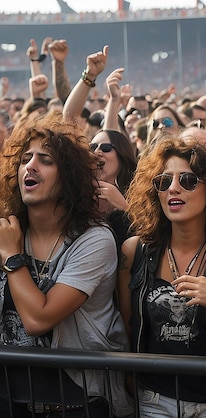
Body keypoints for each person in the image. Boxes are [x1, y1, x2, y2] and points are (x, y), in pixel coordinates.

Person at [0, 112, 132, 417]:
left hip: (73, 404)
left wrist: (12, 258)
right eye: (25, 159)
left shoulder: (94, 239)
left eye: (45, 160)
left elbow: (38, 320)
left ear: (69, 176)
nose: (30, 166)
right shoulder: (10, 228)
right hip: (8, 399)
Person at [118, 136, 206, 417]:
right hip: (153, 399)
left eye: (188, 180)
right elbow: (127, 327)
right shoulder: (134, 250)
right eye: (163, 181)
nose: (173, 188)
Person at [90, 129, 137, 249]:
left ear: (122, 156)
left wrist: (124, 207)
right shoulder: (76, 193)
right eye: (92, 147)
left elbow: (147, 240)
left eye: (106, 148)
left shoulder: (138, 197)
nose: (97, 151)